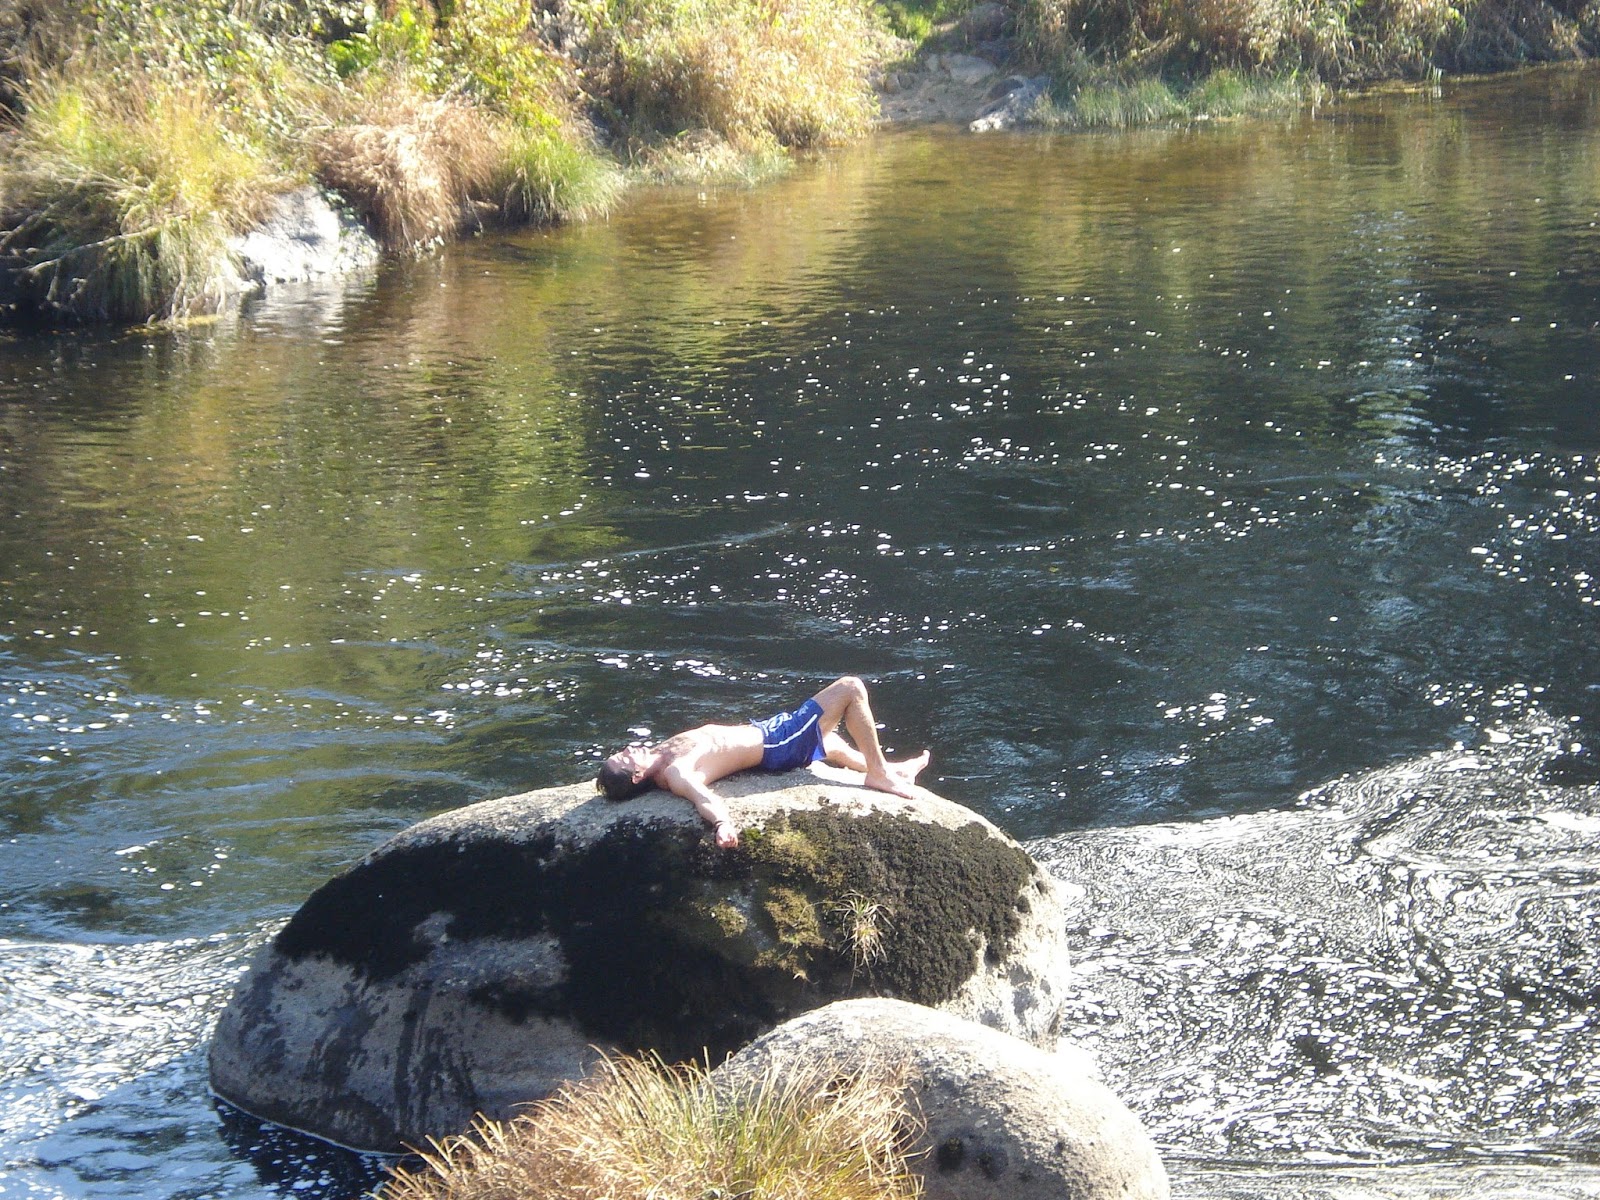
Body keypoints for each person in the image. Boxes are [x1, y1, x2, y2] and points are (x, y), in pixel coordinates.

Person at [595, 676, 930, 849]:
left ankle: (894, 770)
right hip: (776, 744)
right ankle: (878, 774)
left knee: (830, 743)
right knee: (850, 688)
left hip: (768, 732)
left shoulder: (660, 752)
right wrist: (723, 824)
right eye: (624, 757)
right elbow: (702, 797)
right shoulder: (676, 772)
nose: (628, 748)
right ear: (637, 776)